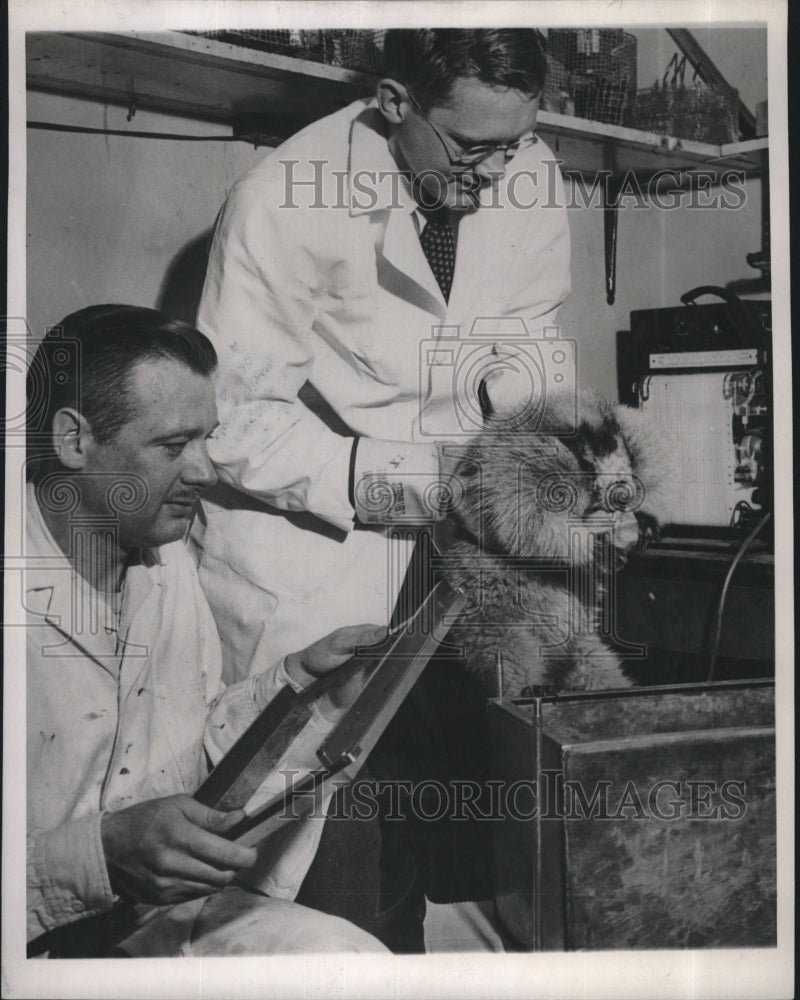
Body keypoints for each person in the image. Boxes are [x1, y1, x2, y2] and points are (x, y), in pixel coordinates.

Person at [194, 27, 572, 681]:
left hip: (458, 550)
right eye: (473, 149)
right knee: (289, 772)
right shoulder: (283, 198)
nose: (496, 173)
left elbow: (529, 340)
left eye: (514, 143)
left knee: (448, 758)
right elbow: (236, 422)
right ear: (397, 102)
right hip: (310, 551)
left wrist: (547, 465)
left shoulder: (528, 169)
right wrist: (434, 482)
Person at [25, 305, 388, 957]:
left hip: (150, 926)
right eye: (172, 445)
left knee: (351, 962)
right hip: (26, 951)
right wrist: (98, 856)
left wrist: (299, 690)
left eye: (206, 440)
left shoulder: (166, 564)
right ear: (74, 439)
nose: (203, 471)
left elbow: (193, 755)